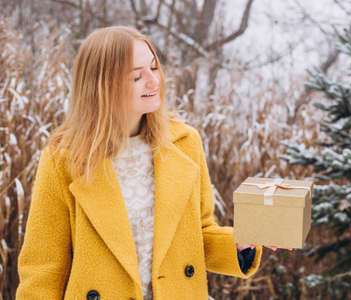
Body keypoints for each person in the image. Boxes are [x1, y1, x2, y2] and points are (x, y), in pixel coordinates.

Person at [15, 26, 288, 300]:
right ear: (103, 85)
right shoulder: (64, 158)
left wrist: (242, 241)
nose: (153, 81)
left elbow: (199, 235)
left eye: (154, 68)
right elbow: (43, 269)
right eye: (136, 76)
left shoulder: (183, 143)